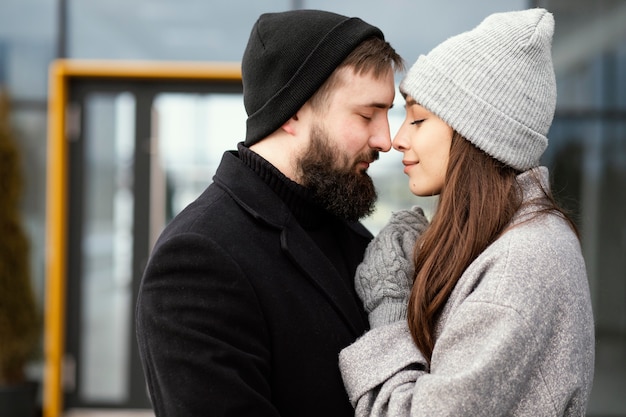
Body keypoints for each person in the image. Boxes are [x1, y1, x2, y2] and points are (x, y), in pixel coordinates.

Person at [135, 9, 404, 417]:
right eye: (367, 115)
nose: (385, 139)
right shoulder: (197, 260)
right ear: (294, 112)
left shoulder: (350, 233)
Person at [339, 8, 595, 416]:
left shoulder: (520, 267)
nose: (397, 139)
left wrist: (389, 308)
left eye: (419, 119)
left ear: (477, 136)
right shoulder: (509, 241)